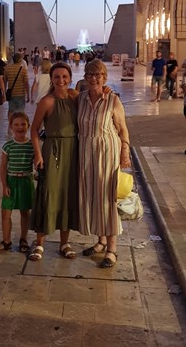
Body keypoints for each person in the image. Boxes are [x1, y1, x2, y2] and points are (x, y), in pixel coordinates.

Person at [78, 59, 131, 268]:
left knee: (107, 200)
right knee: (93, 198)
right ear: (84, 77)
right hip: (85, 155)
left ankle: (112, 249)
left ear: (104, 77)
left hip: (107, 154)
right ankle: (100, 241)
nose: (93, 78)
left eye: (98, 75)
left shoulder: (112, 100)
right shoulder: (80, 98)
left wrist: (125, 152)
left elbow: (123, 129)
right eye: (90, 74)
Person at [30, 62, 79, 261]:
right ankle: (40, 243)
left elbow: (96, 97)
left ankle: (64, 243)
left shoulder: (76, 97)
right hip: (53, 151)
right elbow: (34, 130)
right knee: (47, 191)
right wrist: (38, 154)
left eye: (64, 77)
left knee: (68, 194)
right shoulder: (47, 101)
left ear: (70, 78)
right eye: (57, 77)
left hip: (73, 151)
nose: (61, 81)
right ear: (51, 79)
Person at [0, 112, 35, 253]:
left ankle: (23, 239)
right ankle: (6, 241)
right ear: (10, 127)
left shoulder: (32, 145)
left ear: (28, 125)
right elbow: (3, 167)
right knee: (6, 212)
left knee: (25, 212)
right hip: (11, 181)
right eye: (16, 124)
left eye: (23, 124)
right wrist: (4, 185)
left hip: (26, 181)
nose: (20, 127)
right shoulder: (7, 146)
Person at [4, 52, 29, 125]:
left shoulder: (7, 68)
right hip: (21, 93)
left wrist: (4, 93)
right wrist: (28, 95)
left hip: (11, 94)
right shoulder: (23, 69)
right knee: (21, 111)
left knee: (11, 110)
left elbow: (4, 81)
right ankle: (19, 124)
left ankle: (11, 124)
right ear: (20, 60)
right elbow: (26, 83)